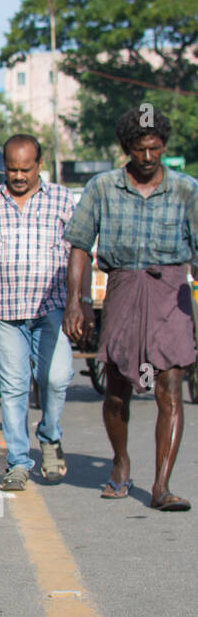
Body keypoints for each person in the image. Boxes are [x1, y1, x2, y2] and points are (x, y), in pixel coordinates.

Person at [63, 105, 198, 511]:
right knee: (118, 389)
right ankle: (120, 463)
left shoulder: (186, 189)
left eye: (155, 148)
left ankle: (161, 485)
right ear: (127, 148)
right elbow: (80, 245)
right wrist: (78, 301)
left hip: (172, 293)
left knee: (169, 387)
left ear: (164, 147)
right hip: (123, 288)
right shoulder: (102, 187)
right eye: (140, 149)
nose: (149, 157)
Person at [0, 134, 78, 490]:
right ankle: (19, 462)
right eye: (11, 169)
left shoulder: (63, 201)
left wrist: (79, 302)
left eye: (25, 169)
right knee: (13, 388)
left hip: (52, 310)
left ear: (40, 165)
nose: (19, 176)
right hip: (7, 313)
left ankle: (50, 437)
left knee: (56, 378)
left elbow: (79, 257)